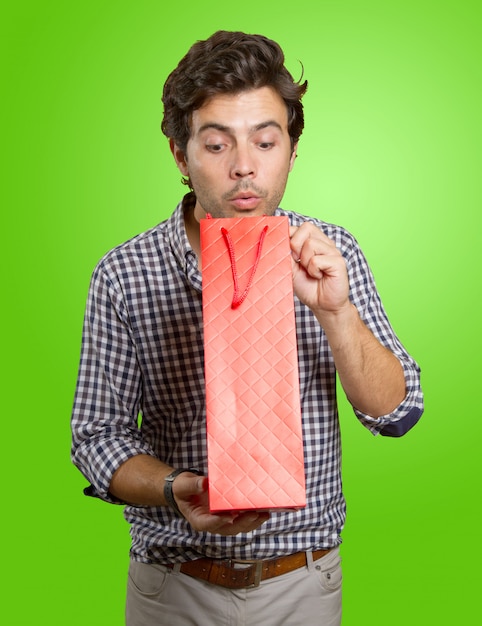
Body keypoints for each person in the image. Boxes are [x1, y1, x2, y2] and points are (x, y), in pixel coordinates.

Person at [71, 30, 423, 626]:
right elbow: (96, 438)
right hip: (171, 586)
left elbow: (397, 413)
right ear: (181, 157)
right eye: (216, 144)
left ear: (290, 150)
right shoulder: (123, 274)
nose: (244, 167)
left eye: (266, 140)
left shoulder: (331, 255)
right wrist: (177, 488)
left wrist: (334, 311)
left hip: (303, 583)